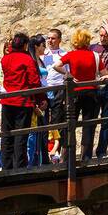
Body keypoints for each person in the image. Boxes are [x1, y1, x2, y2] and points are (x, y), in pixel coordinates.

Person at [0, 32, 43, 171]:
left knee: (7, 136)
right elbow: (34, 81)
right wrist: (40, 99)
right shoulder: (27, 59)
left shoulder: (5, 59)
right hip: (22, 103)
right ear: (25, 45)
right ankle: (19, 167)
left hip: (7, 102)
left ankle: (6, 167)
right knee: (20, 137)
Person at [62, 28, 102, 163]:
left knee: (70, 124)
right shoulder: (95, 55)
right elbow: (104, 73)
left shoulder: (71, 55)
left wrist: (69, 75)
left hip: (75, 92)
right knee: (88, 124)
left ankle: (67, 156)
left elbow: (56, 65)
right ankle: (86, 157)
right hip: (91, 92)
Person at [42, 30, 69, 162]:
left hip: (59, 89)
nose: (50, 41)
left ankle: (57, 152)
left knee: (57, 120)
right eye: (48, 38)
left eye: (53, 38)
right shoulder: (42, 54)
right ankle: (46, 153)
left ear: (59, 40)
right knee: (44, 121)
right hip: (45, 89)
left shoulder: (64, 54)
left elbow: (67, 73)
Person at [90, 26, 108, 158]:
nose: (103, 37)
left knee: (106, 121)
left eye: (105, 35)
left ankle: (101, 151)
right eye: (101, 35)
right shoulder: (92, 48)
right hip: (95, 88)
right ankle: (87, 151)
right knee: (91, 120)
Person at [27, 35, 50, 166]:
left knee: (43, 131)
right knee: (33, 133)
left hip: (43, 96)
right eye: (43, 45)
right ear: (36, 46)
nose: (44, 48)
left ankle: (42, 159)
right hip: (36, 99)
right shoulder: (31, 60)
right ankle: (33, 162)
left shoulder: (40, 61)